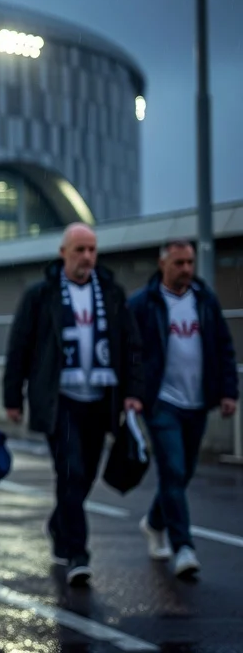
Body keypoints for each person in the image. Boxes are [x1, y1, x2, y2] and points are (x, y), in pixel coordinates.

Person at [2, 223, 144, 587]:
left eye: (92, 250)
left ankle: (57, 525)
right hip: (59, 400)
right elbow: (20, 346)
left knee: (83, 477)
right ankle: (79, 555)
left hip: (100, 400)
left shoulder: (111, 293)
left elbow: (131, 346)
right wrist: (12, 396)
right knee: (71, 473)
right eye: (80, 250)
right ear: (63, 253)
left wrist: (133, 392)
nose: (87, 258)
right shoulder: (41, 294)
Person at [129, 239, 237, 579]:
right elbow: (130, 353)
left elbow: (223, 346)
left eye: (190, 262)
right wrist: (133, 394)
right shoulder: (144, 304)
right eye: (179, 263)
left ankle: (155, 522)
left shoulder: (204, 301)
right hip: (162, 402)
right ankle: (184, 547)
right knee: (172, 470)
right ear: (163, 264)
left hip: (197, 401)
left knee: (184, 473)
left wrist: (228, 391)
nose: (186, 269)